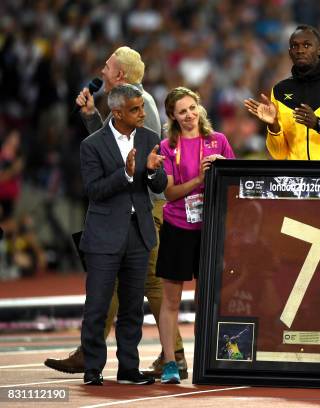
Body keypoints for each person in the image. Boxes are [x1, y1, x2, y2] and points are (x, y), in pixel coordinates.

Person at [44, 46, 187, 380]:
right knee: (117, 284)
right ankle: (94, 354)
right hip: (127, 208)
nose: (102, 71)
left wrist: (140, 186)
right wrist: (91, 115)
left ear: (121, 74)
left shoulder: (141, 105)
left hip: (144, 208)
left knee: (147, 282)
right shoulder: (126, 105)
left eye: (107, 67)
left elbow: (138, 153)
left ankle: (172, 355)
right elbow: (109, 148)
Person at [78, 84, 167, 385]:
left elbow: (159, 185)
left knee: (132, 307)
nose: (143, 113)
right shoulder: (92, 145)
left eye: (142, 107)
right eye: (135, 109)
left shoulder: (150, 138)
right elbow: (93, 191)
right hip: (103, 236)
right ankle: (93, 367)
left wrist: (153, 172)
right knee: (98, 305)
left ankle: (128, 367)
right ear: (116, 112)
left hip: (138, 234)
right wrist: (126, 175)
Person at [156, 87, 235, 384]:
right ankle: (169, 363)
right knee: (172, 300)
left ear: (200, 109)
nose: (189, 116)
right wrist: (200, 179)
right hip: (178, 226)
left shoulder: (219, 141)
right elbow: (170, 192)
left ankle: (207, 358)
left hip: (211, 227)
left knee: (208, 298)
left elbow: (234, 184)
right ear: (172, 118)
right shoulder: (167, 147)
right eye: (182, 112)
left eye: (192, 109)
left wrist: (221, 170)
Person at [244, 24, 320, 160]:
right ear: (289, 52)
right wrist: (273, 125)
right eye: (294, 46)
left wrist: (319, 125)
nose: (300, 50)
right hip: (299, 178)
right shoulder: (280, 91)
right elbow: (279, 154)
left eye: (307, 45)